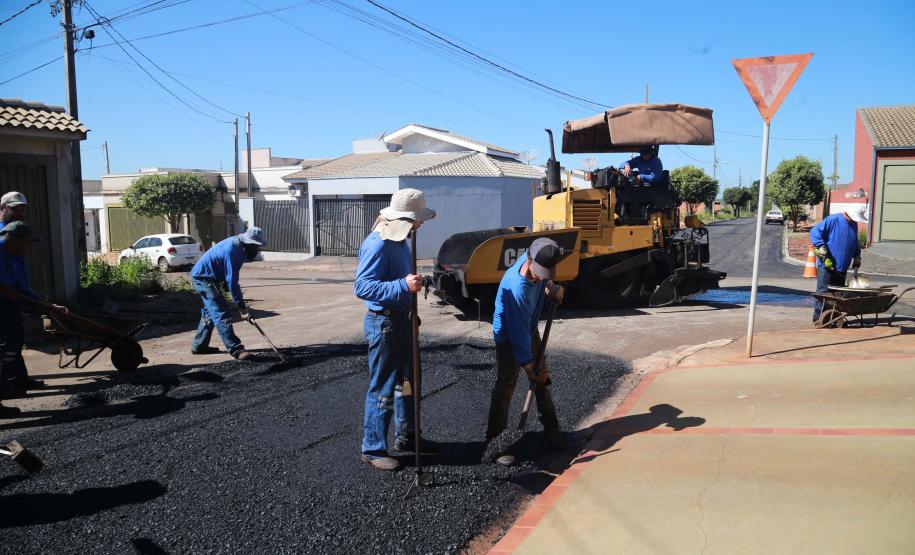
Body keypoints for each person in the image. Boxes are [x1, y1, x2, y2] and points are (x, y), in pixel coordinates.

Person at [354, 188, 436, 472]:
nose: (421, 224)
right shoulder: (378, 244)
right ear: (405, 217)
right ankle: (373, 447)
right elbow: (362, 287)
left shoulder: (400, 241)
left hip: (403, 319)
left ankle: (407, 436)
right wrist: (402, 286)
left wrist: (412, 285)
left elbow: (400, 279)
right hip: (385, 324)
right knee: (384, 386)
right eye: (418, 219)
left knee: (408, 383)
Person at [486, 237, 566, 466]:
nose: (541, 277)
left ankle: (552, 427)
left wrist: (551, 286)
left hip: (528, 329)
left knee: (543, 381)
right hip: (508, 335)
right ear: (529, 261)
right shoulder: (517, 287)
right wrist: (530, 365)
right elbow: (518, 334)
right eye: (541, 274)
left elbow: (544, 281)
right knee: (506, 384)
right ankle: (495, 439)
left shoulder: (534, 256)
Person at [0, 222, 68, 414]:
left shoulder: (11, 256)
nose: (26, 247)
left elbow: (20, 288)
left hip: (7, 308)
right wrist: (35, 304)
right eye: (26, 243)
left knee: (10, 349)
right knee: (4, 352)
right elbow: (5, 289)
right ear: (17, 239)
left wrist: (48, 305)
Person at [189, 227, 266, 361]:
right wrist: (241, 307)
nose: (256, 250)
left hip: (211, 277)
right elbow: (232, 282)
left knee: (210, 312)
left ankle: (199, 346)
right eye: (254, 246)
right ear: (247, 243)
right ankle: (236, 349)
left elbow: (227, 274)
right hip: (202, 278)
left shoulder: (239, 248)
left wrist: (226, 285)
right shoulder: (233, 250)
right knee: (220, 312)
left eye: (258, 247)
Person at [810, 205, 867, 322]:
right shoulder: (833, 220)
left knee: (838, 295)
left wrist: (857, 256)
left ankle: (833, 317)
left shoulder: (853, 224)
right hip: (827, 265)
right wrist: (821, 246)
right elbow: (815, 232)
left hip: (842, 267)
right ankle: (818, 318)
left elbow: (854, 242)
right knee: (823, 294)